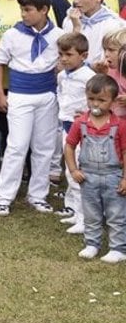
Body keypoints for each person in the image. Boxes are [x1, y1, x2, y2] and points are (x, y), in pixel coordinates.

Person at [0, 0, 61, 216]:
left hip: (47, 95)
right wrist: (0, 93)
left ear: (44, 10)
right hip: (20, 94)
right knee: (17, 145)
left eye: (28, 10)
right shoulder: (13, 34)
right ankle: (3, 196)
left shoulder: (57, 35)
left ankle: (38, 195)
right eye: (21, 9)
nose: (23, 14)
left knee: (43, 147)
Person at [64, 74, 126, 262]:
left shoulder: (120, 125)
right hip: (88, 176)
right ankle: (92, 243)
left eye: (101, 100)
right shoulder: (81, 123)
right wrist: (74, 170)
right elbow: (69, 146)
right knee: (91, 212)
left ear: (113, 101)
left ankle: (118, 248)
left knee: (116, 213)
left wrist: (125, 178)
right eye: (91, 99)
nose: (95, 104)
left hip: (113, 175)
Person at [57, 33, 95, 234]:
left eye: (69, 54)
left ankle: (85, 218)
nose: (64, 59)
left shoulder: (89, 77)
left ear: (83, 55)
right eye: (61, 54)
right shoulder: (62, 75)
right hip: (66, 126)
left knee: (79, 173)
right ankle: (73, 208)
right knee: (68, 171)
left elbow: (96, 101)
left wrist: (87, 114)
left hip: (82, 130)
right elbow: (61, 96)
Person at [61, 0, 124, 65]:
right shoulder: (69, 20)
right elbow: (65, 54)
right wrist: (76, 29)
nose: (75, 1)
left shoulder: (115, 25)